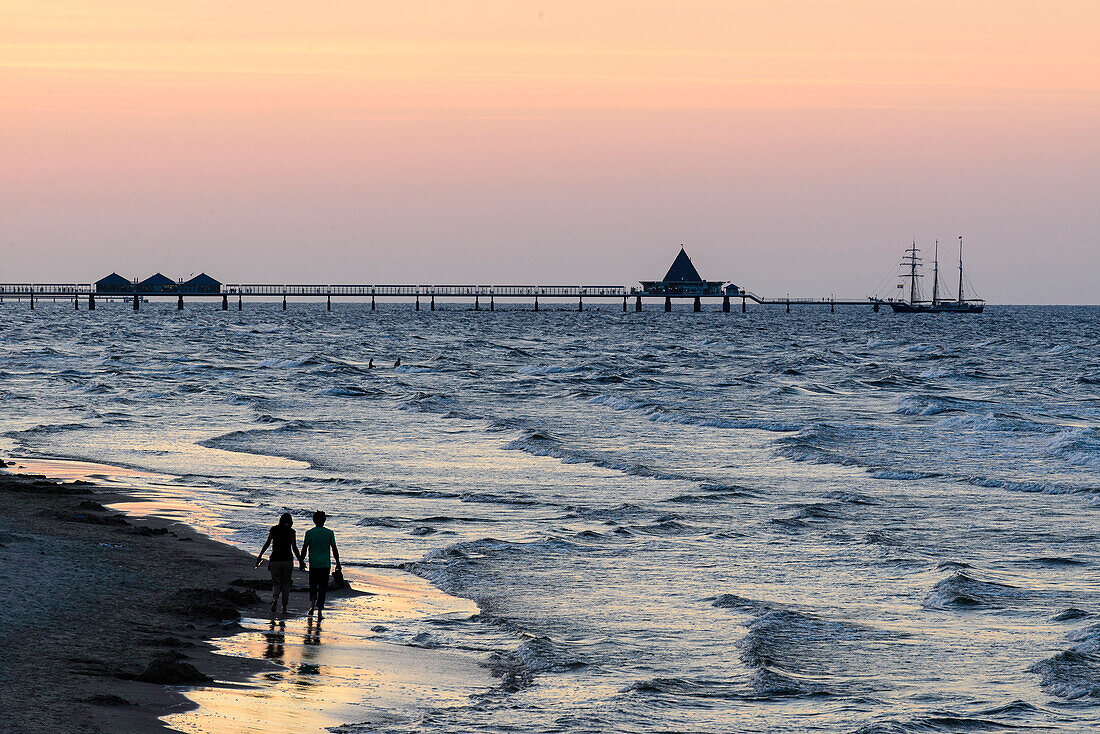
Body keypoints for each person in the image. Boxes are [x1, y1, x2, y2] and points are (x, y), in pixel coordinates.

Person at [255, 512, 304, 616]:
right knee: (286, 584)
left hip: (275, 560)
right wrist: (300, 561)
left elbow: (267, 543)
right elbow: (294, 547)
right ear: (290, 522)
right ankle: (284, 608)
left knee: (276, 582)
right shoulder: (291, 532)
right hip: (287, 560)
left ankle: (275, 600)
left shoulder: (274, 529)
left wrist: (260, 555)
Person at [300, 511, 341, 617]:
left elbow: (304, 548)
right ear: (324, 520)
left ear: (314, 520)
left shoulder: (309, 533)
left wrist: (301, 561)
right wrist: (338, 563)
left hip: (313, 564)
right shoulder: (329, 533)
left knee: (313, 585)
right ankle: (320, 610)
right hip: (325, 564)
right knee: (323, 587)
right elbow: (334, 549)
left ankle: (312, 606)